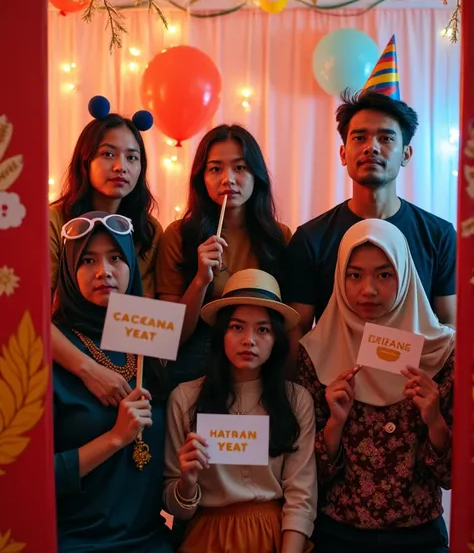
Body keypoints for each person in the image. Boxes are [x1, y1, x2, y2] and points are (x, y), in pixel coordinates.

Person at [52, 211, 210, 553]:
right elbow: (32, 480)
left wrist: (188, 476)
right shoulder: (49, 359)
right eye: (87, 261)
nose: (104, 272)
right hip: (75, 546)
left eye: (115, 259)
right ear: (67, 270)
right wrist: (114, 438)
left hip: (144, 541)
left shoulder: (148, 350)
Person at [296, 218, 455, 553]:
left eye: (384, 275)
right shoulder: (315, 354)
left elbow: (454, 477)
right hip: (341, 541)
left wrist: (435, 418)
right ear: (339, 278)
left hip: (418, 541)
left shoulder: (442, 353)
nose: (368, 290)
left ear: (404, 276)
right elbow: (305, 476)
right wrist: (335, 423)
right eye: (355, 275)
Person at [163, 269, 320, 553]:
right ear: (221, 335)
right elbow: (175, 505)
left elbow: (302, 495)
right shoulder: (185, 399)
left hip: (279, 540)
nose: (249, 339)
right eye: (237, 327)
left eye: (262, 329)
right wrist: (186, 481)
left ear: (276, 339)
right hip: (209, 545)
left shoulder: (296, 399)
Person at [284, 89, 456, 371]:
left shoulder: (439, 235)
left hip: (416, 391)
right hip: (334, 391)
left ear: (406, 153)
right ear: (343, 153)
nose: (371, 147)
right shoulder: (311, 238)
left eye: (386, 138)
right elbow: (298, 331)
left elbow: (449, 323)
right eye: (359, 137)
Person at [157, 124, 292, 386]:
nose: (227, 179)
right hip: (197, 362)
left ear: (257, 175)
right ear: (201, 178)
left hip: (260, 362)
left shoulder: (280, 237)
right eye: (215, 168)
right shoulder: (178, 235)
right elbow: (169, 337)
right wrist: (200, 281)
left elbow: (285, 323)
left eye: (240, 167)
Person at [50, 96, 162, 406]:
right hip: (64, 351)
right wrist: (88, 369)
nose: (120, 167)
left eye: (132, 157)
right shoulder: (55, 221)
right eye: (108, 154)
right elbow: (32, 315)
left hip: (125, 357)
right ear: (84, 162)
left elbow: (143, 312)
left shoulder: (149, 230)